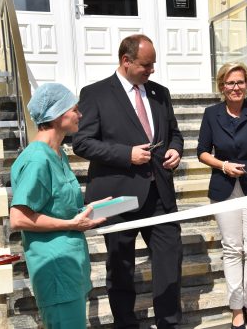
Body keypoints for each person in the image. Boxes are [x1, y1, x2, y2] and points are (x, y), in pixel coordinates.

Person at [72, 34, 184, 328]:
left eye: (153, 65)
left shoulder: (160, 93)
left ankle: (169, 322)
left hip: (159, 193)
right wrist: (126, 154)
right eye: (146, 65)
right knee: (120, 266)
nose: (152, 70)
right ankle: (126, 323)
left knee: (170, 260)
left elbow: (174, 133)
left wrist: (175, 149)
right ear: (126, 60)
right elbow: (81, 143)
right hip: (115, 197)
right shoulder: (95, 93)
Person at [9, 83, 108, 328]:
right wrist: (71, 223)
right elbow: (19, 218)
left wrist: (89, 208)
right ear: (58, 115)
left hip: (69, 266)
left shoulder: (58, 153)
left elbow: (56, 205)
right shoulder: (37, 159)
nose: (80, 115)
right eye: (75, 109)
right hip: (54, 269)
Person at [197, 62, 247, 329]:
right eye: (230, 83)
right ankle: (236, 308)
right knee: (232, 250)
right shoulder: (211, 114)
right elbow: (202, 151)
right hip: (223, 188)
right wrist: (223, 165)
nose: (236, 88)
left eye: (241, 82)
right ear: (222, 86)